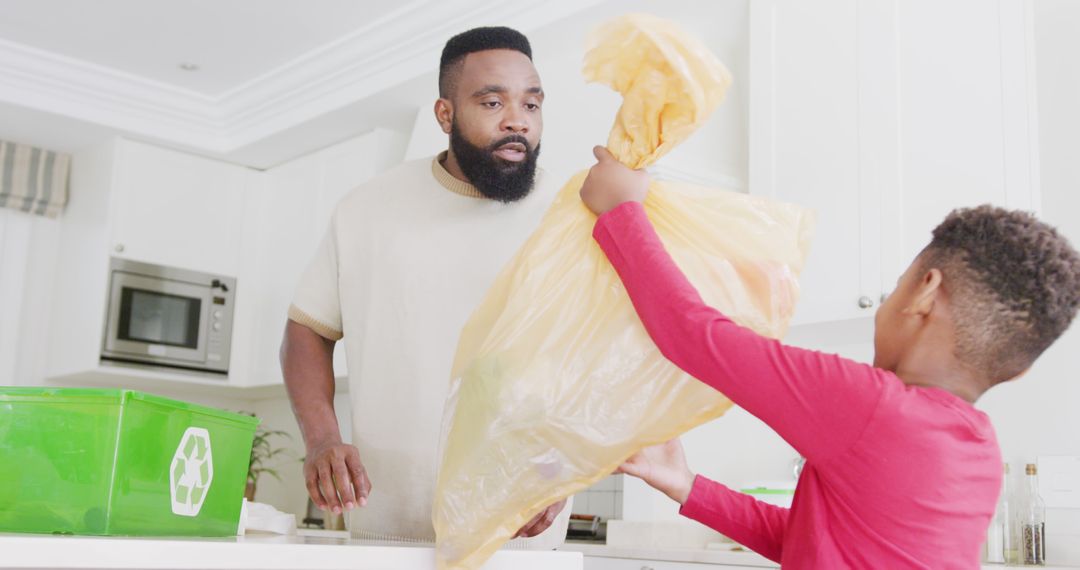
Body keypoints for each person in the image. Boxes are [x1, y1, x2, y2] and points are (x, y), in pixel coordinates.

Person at [577, 146, 1080, 568]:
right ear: (1019, 370)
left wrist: (620, 209)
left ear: (925, 294)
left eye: (897, 285)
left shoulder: (876, 406)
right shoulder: (980, 452)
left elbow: (694, 336)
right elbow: (811, 542)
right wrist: (688, 486)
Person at [280, 27, 569, 545]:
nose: (516, 121)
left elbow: (600, 357)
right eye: (491, 101)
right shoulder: (367, 210)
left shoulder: (569, 215)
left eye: (531, 103)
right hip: (387, 529)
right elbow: (306, 330)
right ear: (445, 114)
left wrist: (567, 464)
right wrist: (322, 439)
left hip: (522, 535)